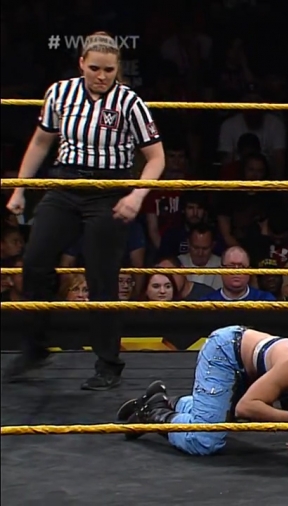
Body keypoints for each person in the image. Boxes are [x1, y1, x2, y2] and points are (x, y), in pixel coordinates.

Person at [3, 32, 165, 390]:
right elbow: (41, 141)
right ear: (81, 64)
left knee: (101, 277)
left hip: (108, 190)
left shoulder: (129, 102)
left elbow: (156, 158)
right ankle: (36, 346)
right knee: (35, 260)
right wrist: (20, 188)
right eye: (95, 69)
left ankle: (108, 363)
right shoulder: (60, 93)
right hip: (65, 184)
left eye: (108, 70)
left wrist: (137, 195)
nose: (101, 76)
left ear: (117, 68)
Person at [117, 325, 288, 464]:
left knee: (231, 418)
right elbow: (247, 406)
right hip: (225, 352)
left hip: (250, 371)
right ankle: (154, 412)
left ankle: (173, 402)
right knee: (205, 441)